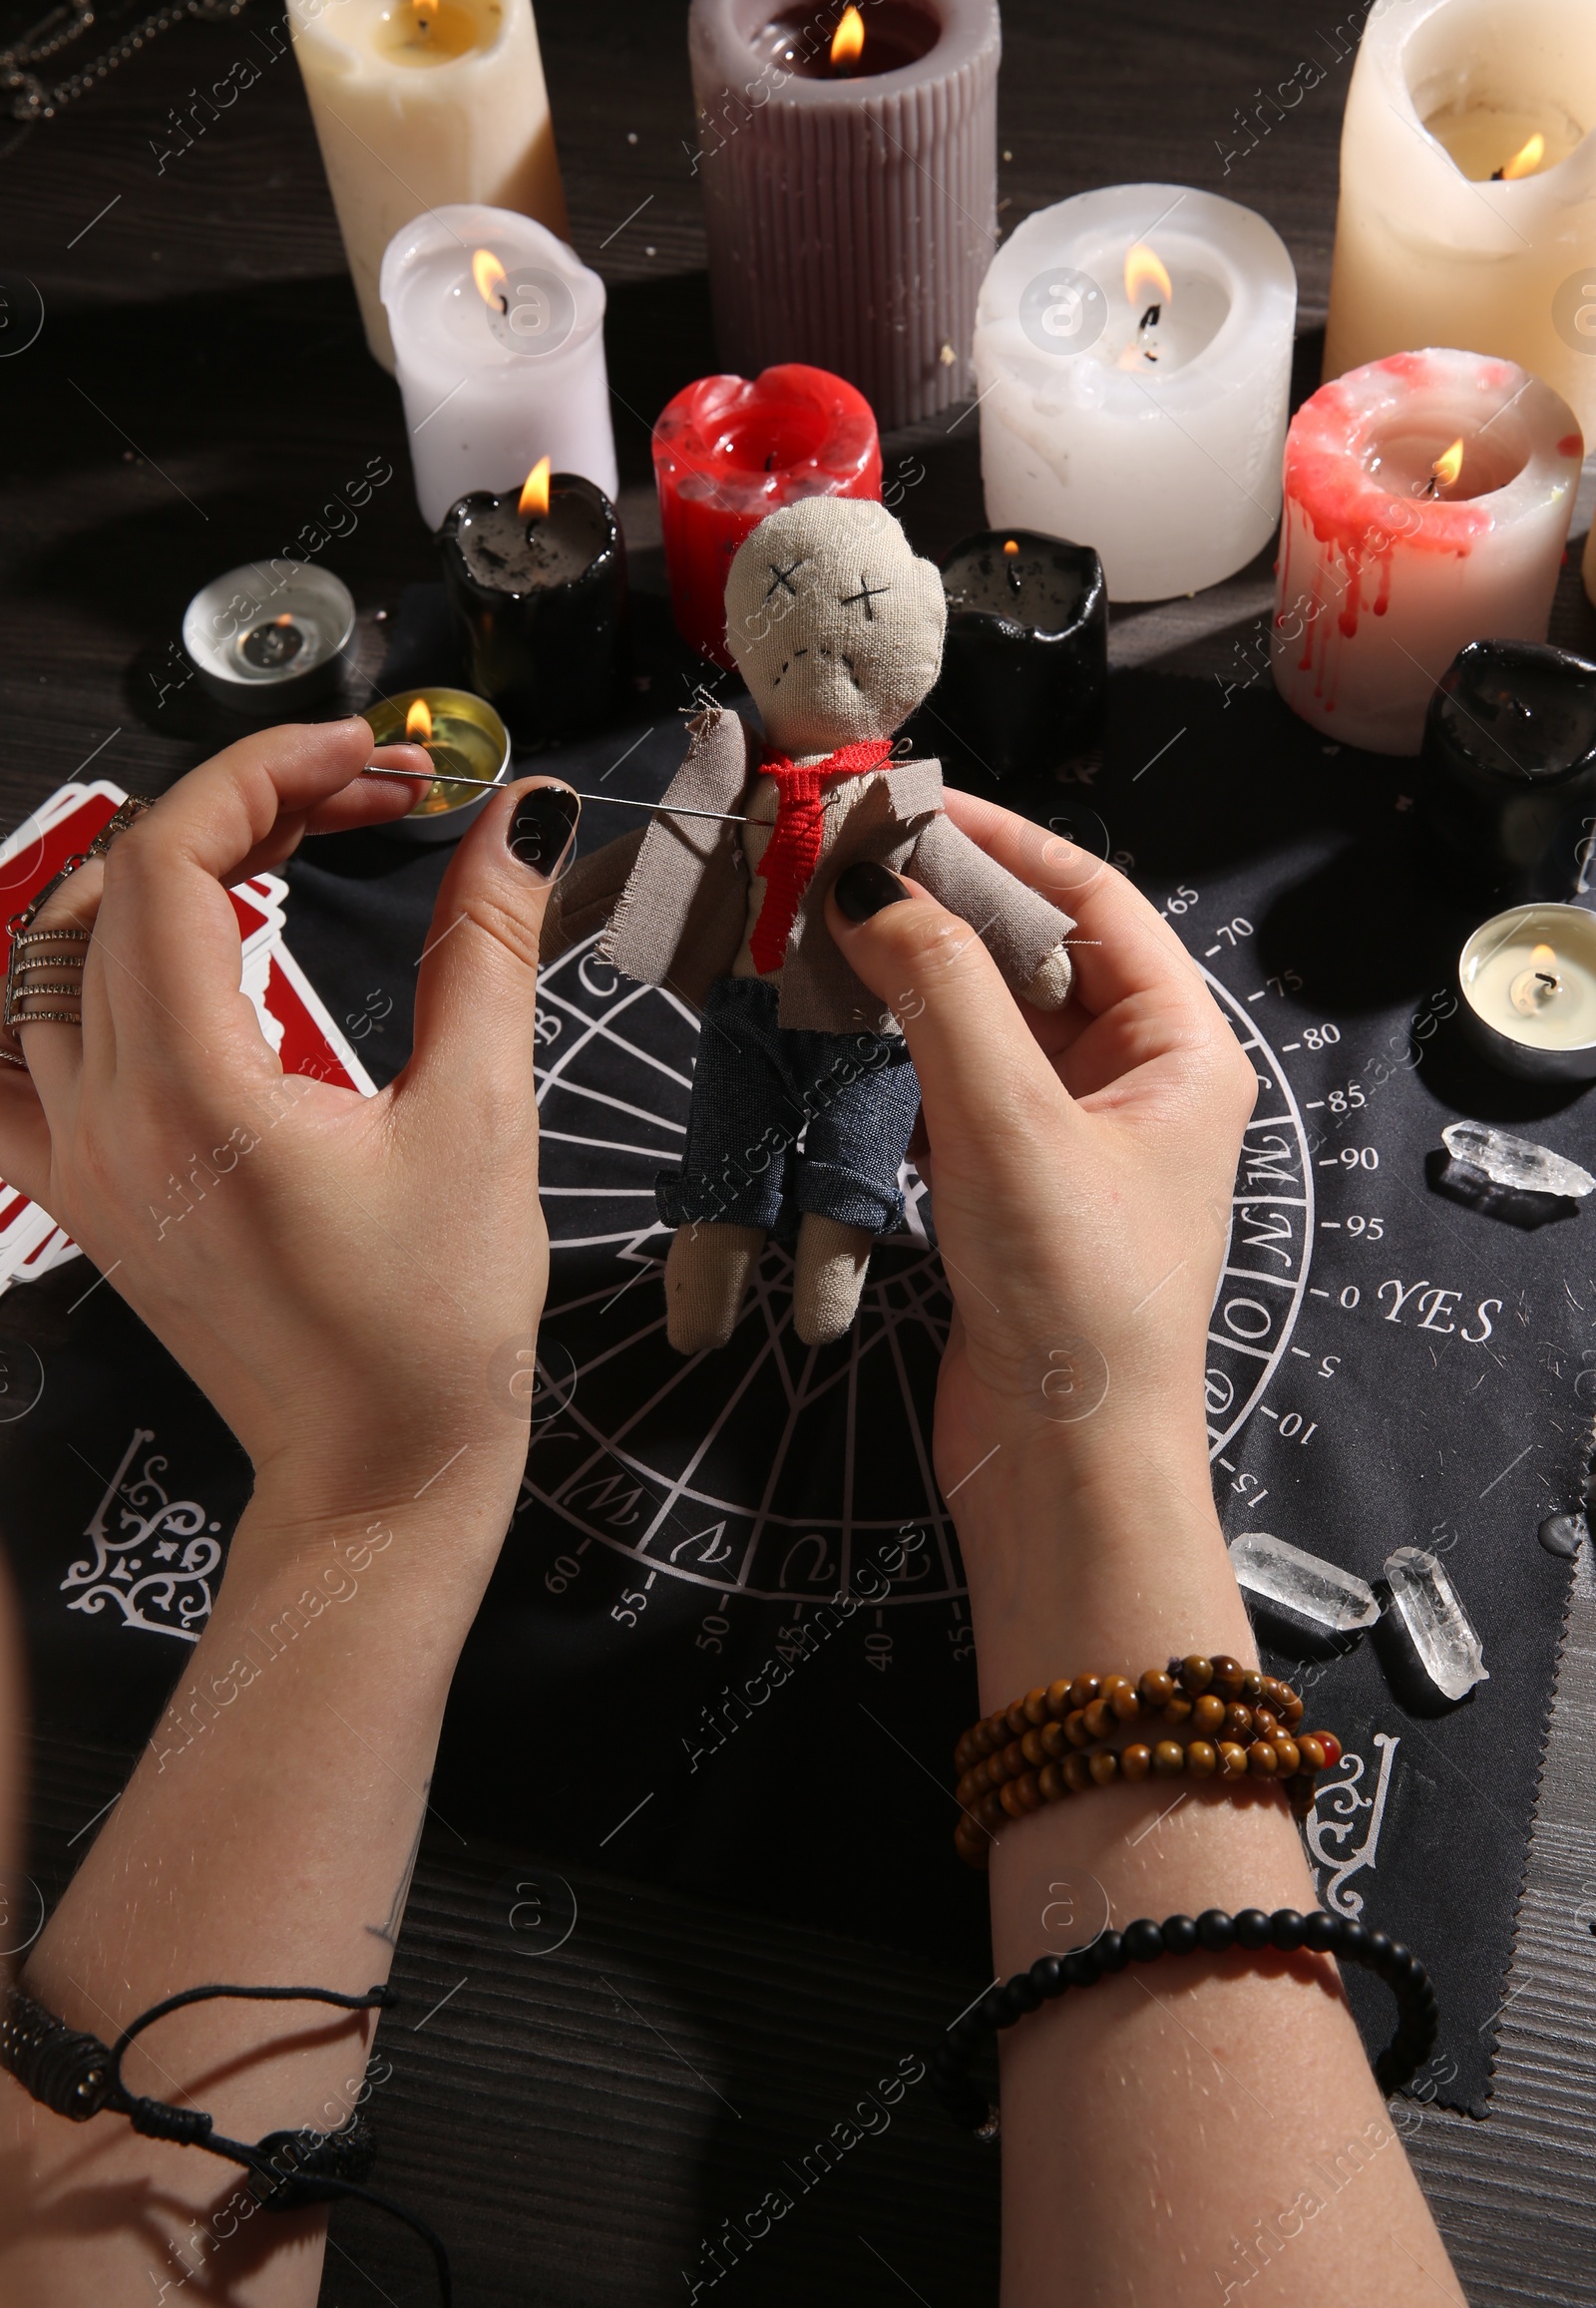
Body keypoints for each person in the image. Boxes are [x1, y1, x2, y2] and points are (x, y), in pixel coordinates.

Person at [0, 717, 1458, 2302]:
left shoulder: (880, 801)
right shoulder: (735, 774)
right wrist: (1087, 1455)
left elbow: (87, 2233)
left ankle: (818, 1262)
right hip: (746, 1047)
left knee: (841, 1179)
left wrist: (373, 1489)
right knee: (725, 1182)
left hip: (848, 1052)